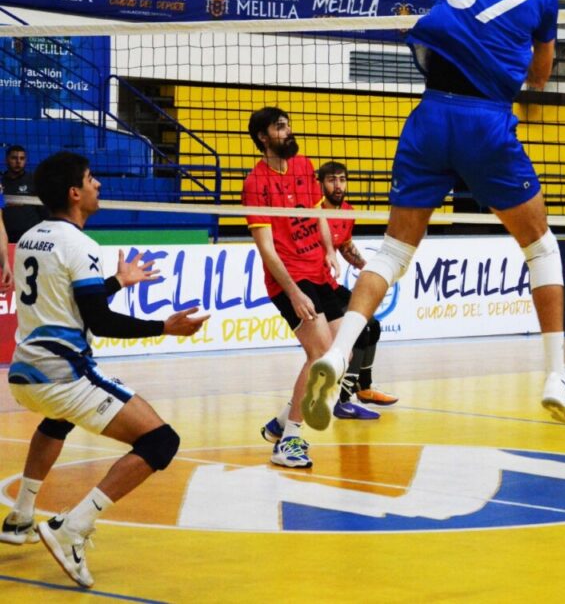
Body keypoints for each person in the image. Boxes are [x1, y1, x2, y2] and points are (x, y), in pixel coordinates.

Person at [301, 0, 565, 429]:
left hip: (430, 116)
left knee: (392, 252)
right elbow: (540, 80)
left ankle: (337, 356)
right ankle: (555, 375)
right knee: (541, 247)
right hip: (485, 120)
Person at [1, 152, 207, 588]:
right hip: (63, 374)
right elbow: (101, 321)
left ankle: (20, 517)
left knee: (57, 422)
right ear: (74, 193)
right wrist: (165, 327)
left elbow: (72, 299)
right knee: (162, 441)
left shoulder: (34, 237)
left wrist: (117, 282)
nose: (98, 185)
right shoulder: (81, 245)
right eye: (91, 179)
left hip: (24, 373)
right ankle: (71, 527)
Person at [242, 107, 345, 467]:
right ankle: (289, 440)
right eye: (280, 127)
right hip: (288, 278)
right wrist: (294, 292)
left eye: (288, 125)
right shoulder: (255, 183)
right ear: (262, 137)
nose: (288, 131)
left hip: (319, 271)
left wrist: (330, 249)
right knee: (320, 355)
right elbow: (266, 249)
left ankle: (281, 421)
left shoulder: (303, 164)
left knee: (337, 355)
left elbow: (318, 213)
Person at [316, 160, 398, 418]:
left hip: (330, 284)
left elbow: (345, 246)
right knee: (358, 329)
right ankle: (342, 397)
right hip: (312, 286)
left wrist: (364, 264)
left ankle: (365, 387)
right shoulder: (314, 211)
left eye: (341, 179)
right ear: (321, 184)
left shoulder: (347, 211)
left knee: (372, 324)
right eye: (331, 180)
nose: (337, 185)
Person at [3, 145, 46, 242]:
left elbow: (44, 210)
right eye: (14, 158)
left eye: (22, 158)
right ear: (6, 160)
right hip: (5, 236)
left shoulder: (34, 180)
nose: (18, 162)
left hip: (31, 236)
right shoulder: (1, 182)